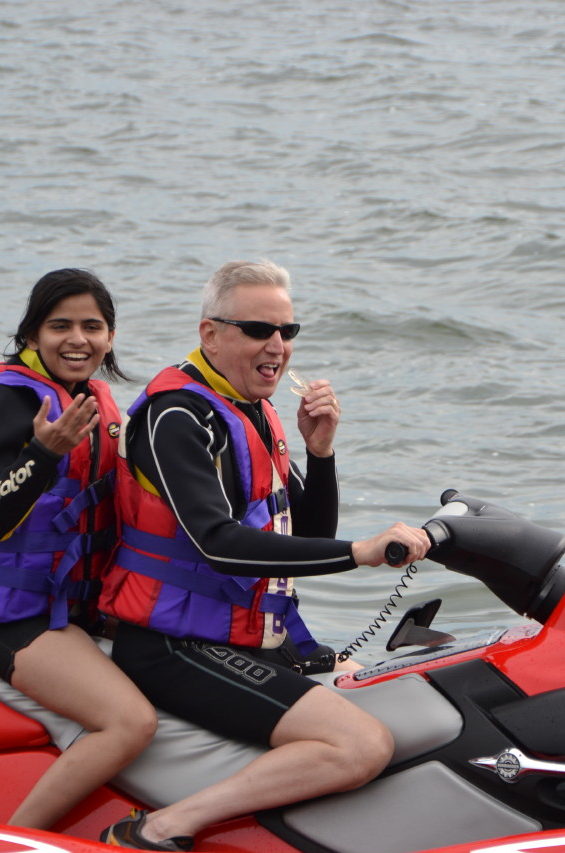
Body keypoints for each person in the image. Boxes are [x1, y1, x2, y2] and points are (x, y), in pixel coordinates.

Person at [97, 259, 430, 850]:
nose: (277, 345)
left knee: (398, 688)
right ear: (210, 334)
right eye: (258, 329)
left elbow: (305, 535)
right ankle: (156, 829)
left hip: (247, 635)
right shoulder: (176, 416)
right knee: (362, 745)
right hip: (172, 645)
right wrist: (360, 553)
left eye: (287, 331)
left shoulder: (250, 408)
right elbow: (218, 545)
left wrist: (320, 454)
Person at [0, 269, 156, 830]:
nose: (77, 339)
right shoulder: (2, 398)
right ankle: (18, 838)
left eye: (92, 327)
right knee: (129, 723)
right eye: (60, 326)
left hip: (71, 605)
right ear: (32, 334)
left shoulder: (93, 402)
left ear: (110, 337)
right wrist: (42, 455)